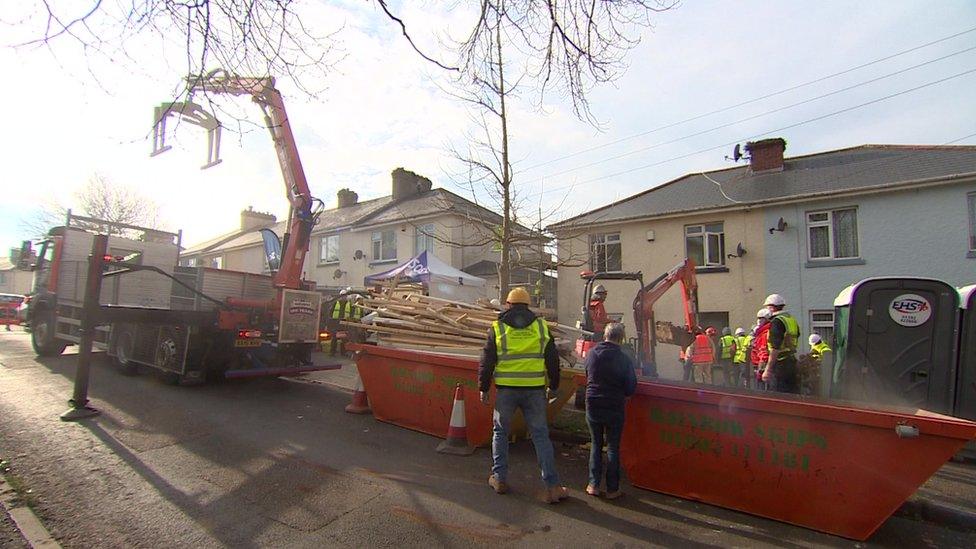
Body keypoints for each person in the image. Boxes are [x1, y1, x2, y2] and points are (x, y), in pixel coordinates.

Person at [478, 287, 568, 503]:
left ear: (508, 304)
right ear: (528, 305)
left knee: (500, 433)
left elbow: (487, 360)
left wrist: (483, 387)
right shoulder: (540, 326)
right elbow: (552, 359)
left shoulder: (497, 328)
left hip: (506, 390)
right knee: (540, 435)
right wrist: (554, 384)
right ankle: (553, 486)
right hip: (534, 390)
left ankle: (499, 479)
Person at [584, 322, 637, 500]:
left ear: (605, 336)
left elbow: (587, 375)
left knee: (596, 444)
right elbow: (630, 387)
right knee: (613, 447)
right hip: (614, 405)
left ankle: (593, 485)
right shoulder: (624, 358)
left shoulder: (592, 354)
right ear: (621, 338)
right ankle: (612, 489)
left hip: (593, 403)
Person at [761, 294, 800, 394]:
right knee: (792, 394)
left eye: (767, 307)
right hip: (791, 361)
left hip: (779, 364)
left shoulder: (777, 322)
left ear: (772, 307)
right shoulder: (792, 320)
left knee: (778, 395)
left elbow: (775, 348)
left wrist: (768, 369)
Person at [752, 309, 772, 390]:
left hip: (761, 365)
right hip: (758, 363)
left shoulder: (765, 333)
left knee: (763, 389)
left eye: (761, 318)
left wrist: (761, 369)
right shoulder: (762, 332)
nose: (759, 320)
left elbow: (763, 352)